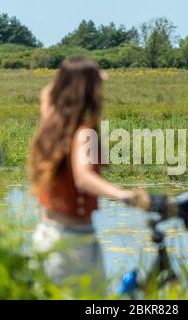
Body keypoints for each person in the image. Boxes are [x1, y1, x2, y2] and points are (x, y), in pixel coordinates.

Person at [29, 56, 150, 285]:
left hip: (47, 237)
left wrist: (67, 81)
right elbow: (83, 177)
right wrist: (125, 195)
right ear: (89, 92)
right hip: (76, 246)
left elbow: (46, 94)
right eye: (98, 87)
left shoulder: (52, 124)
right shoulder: (84, 133)